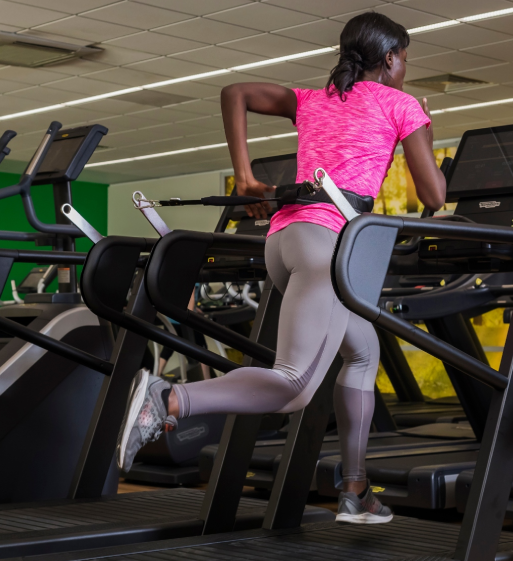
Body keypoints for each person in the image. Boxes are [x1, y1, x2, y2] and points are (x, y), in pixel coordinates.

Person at [116, 12, 445, 524]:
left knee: (362, 351)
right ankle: (168, 399)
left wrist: (244, 178)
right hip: (329, 247)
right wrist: (424, 122)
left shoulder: (314, 98)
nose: (406, 68)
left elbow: (236, 92)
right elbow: (434, 195)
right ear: (390, 59)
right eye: (406, 59)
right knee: (293, 386)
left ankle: (356, 491)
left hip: (283, 241)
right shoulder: (400, 104)